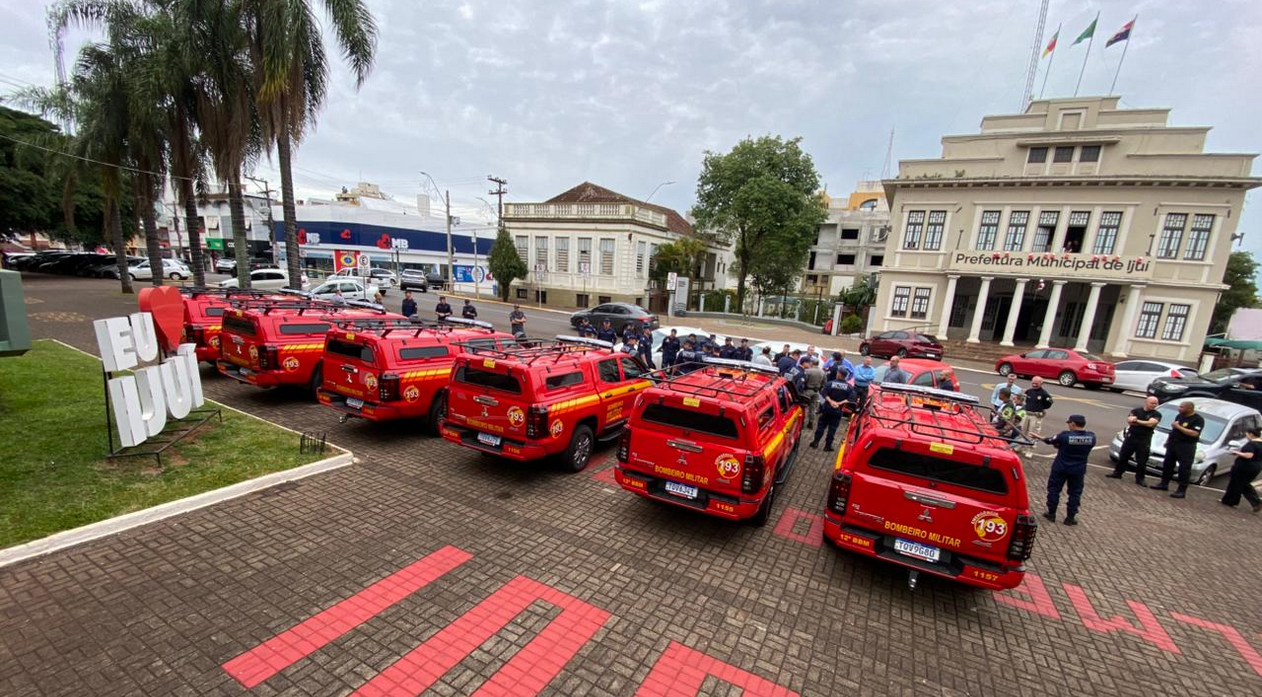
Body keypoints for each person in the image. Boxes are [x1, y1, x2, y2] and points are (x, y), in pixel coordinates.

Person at [1042, 414, 1096, 526]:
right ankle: (1070, 517)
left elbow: (1050, 440)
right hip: (1078, 469)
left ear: (1073, 424)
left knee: (1054, 489)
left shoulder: (1065, 436)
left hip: (1060, 467)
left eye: (1069, 423)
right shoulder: (1091, 437)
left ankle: (1051, 513)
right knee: (1075, 493)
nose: (1068, 425)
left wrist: (1040, 438)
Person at [1152, 400, 1204, 498]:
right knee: (1168, 464)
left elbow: (1194, 433)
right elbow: (1174, 430)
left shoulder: (1198, 419)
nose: (1179, 409)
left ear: (1189, 408)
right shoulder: (1179, 416)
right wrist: (1168, 441)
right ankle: (1164, 483)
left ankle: (1181, 490)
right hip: (1173, 444)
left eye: (1181, 407)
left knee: (1184, 468)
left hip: (1186, 446)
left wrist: (1178, 427)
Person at [1108, 396, 1161, 485]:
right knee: (1123, 456)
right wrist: (1142, 422)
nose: (1154, 405)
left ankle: (1140, 478)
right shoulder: (1136, 411)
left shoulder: (1157, 414)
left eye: (1156, 403)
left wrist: (1137, 421)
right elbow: (1130, 421)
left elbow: (1151, 423)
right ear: (1146, 402)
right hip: (1131, 437)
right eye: (1152, 403)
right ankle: (1117, 473)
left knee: (1142, 460)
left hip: (1144, 439)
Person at [1222, 426, 1262, 513]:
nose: (1246, 436)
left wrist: (1237, 453)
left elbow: (1249, 455)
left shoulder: (1251, 444)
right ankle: (1255, 502)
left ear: (1251, 434)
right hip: (1256, 467)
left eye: (1247, 434)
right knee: (1244, 484)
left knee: (1236, 483)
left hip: (1245, 467)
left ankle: (1230, 501)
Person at [810, 375, 854, 452]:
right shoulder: (849, 387)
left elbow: (824, 394)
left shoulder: (830, 383)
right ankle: (827, 446)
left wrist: (831, 401)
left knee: (821, 425)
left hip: (827, 408)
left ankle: (815, 442)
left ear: (839, 374)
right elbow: (850, 399)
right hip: (838, 410)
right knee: (832, 429)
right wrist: (839, 403)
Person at [1022, 376, 1054, 453]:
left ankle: (1029, 450)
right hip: (1027, 414)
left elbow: (1049, 403)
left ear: (1041, 383)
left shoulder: (1044, 394)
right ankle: (1020, 446)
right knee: (1023, 431)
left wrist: (1041, 409)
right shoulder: (1028, 391)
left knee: (1033, 433)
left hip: (1036, 416)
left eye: (1036, 383)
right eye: (1033, 383)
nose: (1034, 385)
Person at [801, 358, 827, 430]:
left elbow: (804, 381)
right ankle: (811, 423)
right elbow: (824, 383)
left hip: (807, 391)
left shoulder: (807, 371)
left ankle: (802, 422)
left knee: (803, 407)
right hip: (816, 392)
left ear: (812, 363)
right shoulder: (822, 372)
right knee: (813, 408)